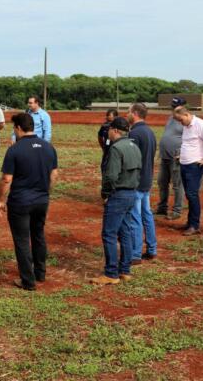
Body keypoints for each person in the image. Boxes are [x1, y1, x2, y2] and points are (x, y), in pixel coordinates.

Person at [0, 112, 58, 291]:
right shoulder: (48, 147)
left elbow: (7, 179)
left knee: (22, 240)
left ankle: (28, 281)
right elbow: (54, 174)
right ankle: (40, 273)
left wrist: (1, 200)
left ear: (18, 128)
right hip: (41, 200)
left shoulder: (15, 149)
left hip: (20, 202)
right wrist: (46, 192)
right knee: (38, 235)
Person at [90, 117, 141, 285]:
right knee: (124, 232)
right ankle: (125, 270)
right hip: (131, 193)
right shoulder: (134, 146)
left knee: (109, 233)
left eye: (110, 130)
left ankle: (111, 273)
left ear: (116, 130)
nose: (108, 133)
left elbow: (111, 176)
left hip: (118, 194)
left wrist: (105, 194)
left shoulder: (116, 148)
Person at [174, 106, 203, 236]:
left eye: (181, 119)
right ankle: (190, 222)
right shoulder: (186, 126)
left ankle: (194, 225)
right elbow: (189, 144)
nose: (180, 123)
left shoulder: (200, 124)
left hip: (194, 166)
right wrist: (182, 156)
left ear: (186, 114)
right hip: (184, 164)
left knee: (192, 194)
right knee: (189, 194)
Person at [127, 103, 157, 264]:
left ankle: (135, 254)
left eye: (129, 112)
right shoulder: (150, 132)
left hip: (136, 182)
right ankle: (152, 249)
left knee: (135, 218)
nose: (127, 114)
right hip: (147, 179)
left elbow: (131, 159)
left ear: (136, 113)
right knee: (147, 214)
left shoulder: (135, 133)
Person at [156, 97, 186, 220]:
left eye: (176, 106)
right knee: (162, 182)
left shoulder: (186, 120)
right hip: (165, 156)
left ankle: (177, 210)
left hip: (176, 156)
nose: (173, 108)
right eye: (172, 106)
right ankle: (162, 208)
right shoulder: (171, 118)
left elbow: (192, 140)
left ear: (183, 106)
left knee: (177, 185)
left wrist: (184, 153)